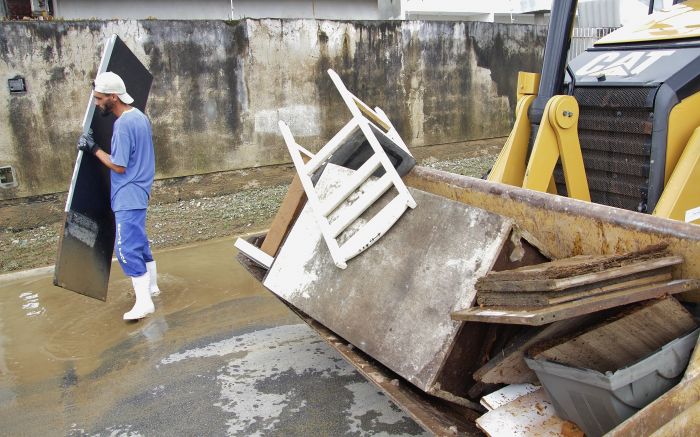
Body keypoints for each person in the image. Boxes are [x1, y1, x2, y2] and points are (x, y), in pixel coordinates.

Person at [77, 71, 160, 321]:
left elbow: (119, 165)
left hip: (128, 193)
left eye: (100, 98)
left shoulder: (123, 124)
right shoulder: (140, 117)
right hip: (140, 190)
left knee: (125, 248)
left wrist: (93, 149)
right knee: (139, 242)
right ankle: (153, 288)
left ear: (113, 97)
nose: (97, 103)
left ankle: (144, 303)